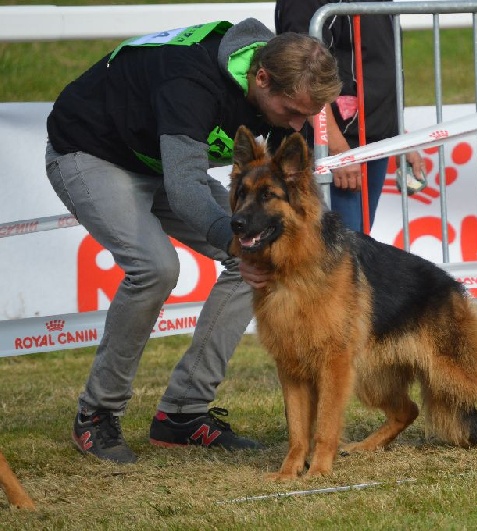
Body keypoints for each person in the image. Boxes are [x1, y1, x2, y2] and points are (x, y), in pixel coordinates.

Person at [45, 18, 342, 464]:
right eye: (292, 112)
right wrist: (240, 244)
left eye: (308, 115)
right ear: (260, 78)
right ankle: (97, 413)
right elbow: (185, 190)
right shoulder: (190, 79)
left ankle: (182, 412)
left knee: (261, 264)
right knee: (156, 268)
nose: (299, 125)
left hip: (156, 160)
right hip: (91, 150)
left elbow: (289, 192)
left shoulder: (281, 82)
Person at [275, 0, 427, 233]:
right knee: (339, 253)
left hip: (373, 140)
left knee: (357, 246)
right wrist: (338, 152)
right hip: (332, 146)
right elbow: (302, 81)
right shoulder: (302, 4)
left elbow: (380, 66)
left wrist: (400, 139)